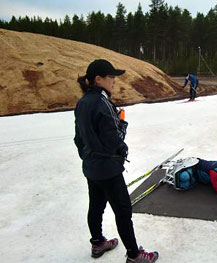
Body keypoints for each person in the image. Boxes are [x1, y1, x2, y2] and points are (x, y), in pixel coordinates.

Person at [74, 59, 158, 263]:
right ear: (98, 79)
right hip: (108, 169)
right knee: (123, 211)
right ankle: (134, 255)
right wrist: (122, 123)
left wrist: (88, 157)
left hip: (92, 167)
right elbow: (115, 139)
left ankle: (97, 242)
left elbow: (78, 139)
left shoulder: (82, 102)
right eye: (111, 77)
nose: (114, 81)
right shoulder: (103, 103)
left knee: (96, 206)